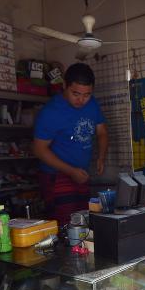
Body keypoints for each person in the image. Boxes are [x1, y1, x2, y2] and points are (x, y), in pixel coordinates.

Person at [34, 62, 108, 225]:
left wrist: (101, 157)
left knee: (84, 220)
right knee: (65, 225)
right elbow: (39, 149)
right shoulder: (51, 112)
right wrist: (70, 171)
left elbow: (102, 132)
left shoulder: (92, 104)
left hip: (81, 173)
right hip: (56, 176)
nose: (81, 100)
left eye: (87, 94)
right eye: (75, 93)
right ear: (64, 86)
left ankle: (81, 251)